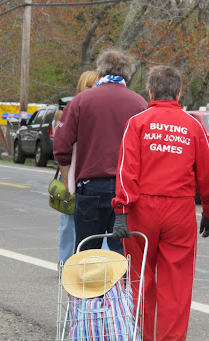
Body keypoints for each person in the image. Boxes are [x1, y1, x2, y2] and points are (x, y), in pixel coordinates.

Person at [111, 65, 209, 341]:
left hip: (141, 209)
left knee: (138, 278)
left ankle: (141, 336)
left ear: (149, 91)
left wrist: (122, 210)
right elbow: (208, 176)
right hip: (180, 210)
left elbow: (127, 170)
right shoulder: (192, 126)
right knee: (177, 283)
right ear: (179, 92)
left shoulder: (138, 123)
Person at [53, 49, 147, 254]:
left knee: (87, 251)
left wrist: (70, 182)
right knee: (120, 253)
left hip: (91, 187)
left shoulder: (80, 101)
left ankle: (87, 286)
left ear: (99, 73)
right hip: (127, 190)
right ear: (127, 76)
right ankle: (118, 287)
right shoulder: (139, 103)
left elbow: (61, 146)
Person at [54, 70, 99, 264]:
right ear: (83, 87)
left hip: (89, 173)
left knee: (91, 225)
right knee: (68, 221)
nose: (95, 89)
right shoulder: (73, 108)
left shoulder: (99, 109)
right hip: (73, 171)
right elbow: (61, 144)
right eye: (91, 85)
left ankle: (93, 265)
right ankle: (65, 262)